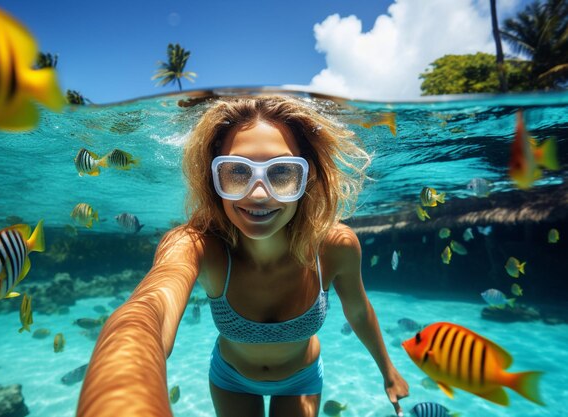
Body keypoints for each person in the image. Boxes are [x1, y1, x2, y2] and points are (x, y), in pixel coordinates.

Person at [77, 95, 409, 417]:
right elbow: (151, 309)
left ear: (306, 178)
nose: (259, 193)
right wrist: (120, 396)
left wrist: (388, 370)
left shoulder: (335, 245)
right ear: (213, 177)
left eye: (281, 172)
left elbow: (358, 311)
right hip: (231, 379)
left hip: (302, 380)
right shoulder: (197, 245)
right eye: (237, 171)